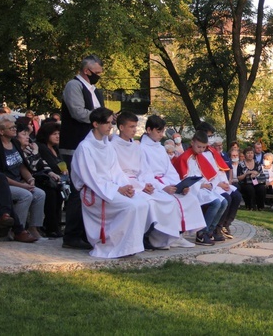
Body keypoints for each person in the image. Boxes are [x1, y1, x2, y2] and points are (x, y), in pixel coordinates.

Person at [71, 108, 152, 258]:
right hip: (95, 192)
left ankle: (128, 246)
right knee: (131, 206)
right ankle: (110, 245)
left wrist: (126, 187)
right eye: (107, 123)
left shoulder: (106, 145)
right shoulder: (85, 147)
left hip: (111, 188)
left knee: (142, 203)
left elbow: (115, 170)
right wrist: (117, 189)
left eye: (111, 123)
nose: (110, 126)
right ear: (95, 124)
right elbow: (91, 178)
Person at [111, 112, 193, 250]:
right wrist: (140, 186)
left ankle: (162, 238)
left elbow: (145, 171)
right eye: (131, 127)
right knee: (149, 202)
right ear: (121, 127)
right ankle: (145, 237)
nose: (135, 130)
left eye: (135, 126)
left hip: (140, 183)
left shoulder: (135, 147)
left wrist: (147, 185)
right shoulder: (112, 146)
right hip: (124, 184)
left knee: (168, 200)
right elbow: (116, 172)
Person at [60, 54, 105, 250]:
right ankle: (71, 234)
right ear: (87, 71)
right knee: (78, 190)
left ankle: (87, 232)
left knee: (93, 188)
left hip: (94, 146)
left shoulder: (96, 91)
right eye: (97, 73)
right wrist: (102, 118)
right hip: (75, 146)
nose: (99, 76)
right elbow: (78, 112)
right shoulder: (74, 86)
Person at [140, 115, 206, 248]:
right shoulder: (141, 148)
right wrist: (163, 187)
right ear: (148, 129)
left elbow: (170, 170)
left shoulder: (159, 148)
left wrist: (179, 186)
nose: (161, 135)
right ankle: (160, 239)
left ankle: (178, 235)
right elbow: (144, 173)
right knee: (170, 202)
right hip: (154, 185)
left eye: (162, 131)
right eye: (158, 131)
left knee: (190, 199)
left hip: (167, 182)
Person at [0, 113, 46, 240]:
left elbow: (22, 166)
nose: (14, 129)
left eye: (14, 127)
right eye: (11, 128)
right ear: (1, 131)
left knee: (40, 194)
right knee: (26, 195)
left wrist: (30, 179)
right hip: (5, 185)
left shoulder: (15, 143)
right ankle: (17, 230)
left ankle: (33, 228)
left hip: (20, 181)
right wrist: (22, 185)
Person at [172, 131, 228, 246]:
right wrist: (201, 185)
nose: (201, 150)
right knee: (216, 203)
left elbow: (208, 174)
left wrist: (210, 184)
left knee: (224, 202)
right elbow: (185, 179)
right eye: (199, 146)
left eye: (204, 147)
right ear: (192, 143)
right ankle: (201, 234)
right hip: (192, 189)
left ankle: (209, 231)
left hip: (203, 187)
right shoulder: (185, 158)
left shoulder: (199, 156)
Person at [34, 121, 68, 237]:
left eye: (58, 133)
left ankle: (55, 226)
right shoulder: (41, 147)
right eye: (54, 134)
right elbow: (51, 165)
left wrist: (64, 170)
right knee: (52, 195)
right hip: (43, 179)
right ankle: (51, 227)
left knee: (60, 195)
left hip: (57, 179)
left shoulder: (55, 148)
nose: (58, 136)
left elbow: (61, 162)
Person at [237, 146, 266, 211]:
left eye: (251, 153)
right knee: (250, 189)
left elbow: (261, 174)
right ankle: (251, 206)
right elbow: (239, 177)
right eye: (248, 153)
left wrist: (256, 174)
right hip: (245, 183)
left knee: (262, 188)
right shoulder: (241, 164)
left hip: (256, 181)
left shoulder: (257, 163)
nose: (250, 155)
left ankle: (260, 207)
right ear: (244, 155)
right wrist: (247, 173)